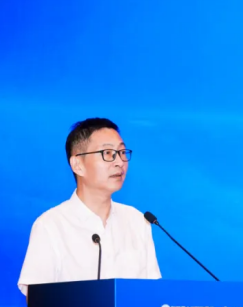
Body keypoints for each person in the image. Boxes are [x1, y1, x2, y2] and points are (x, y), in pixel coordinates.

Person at [18, 118, 161, 296]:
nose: (119, 162)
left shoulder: (137, 221)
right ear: (78, 165)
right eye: (108, 153)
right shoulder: (50, 226)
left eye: (122, 152)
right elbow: (38, 303)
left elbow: (153, 296)